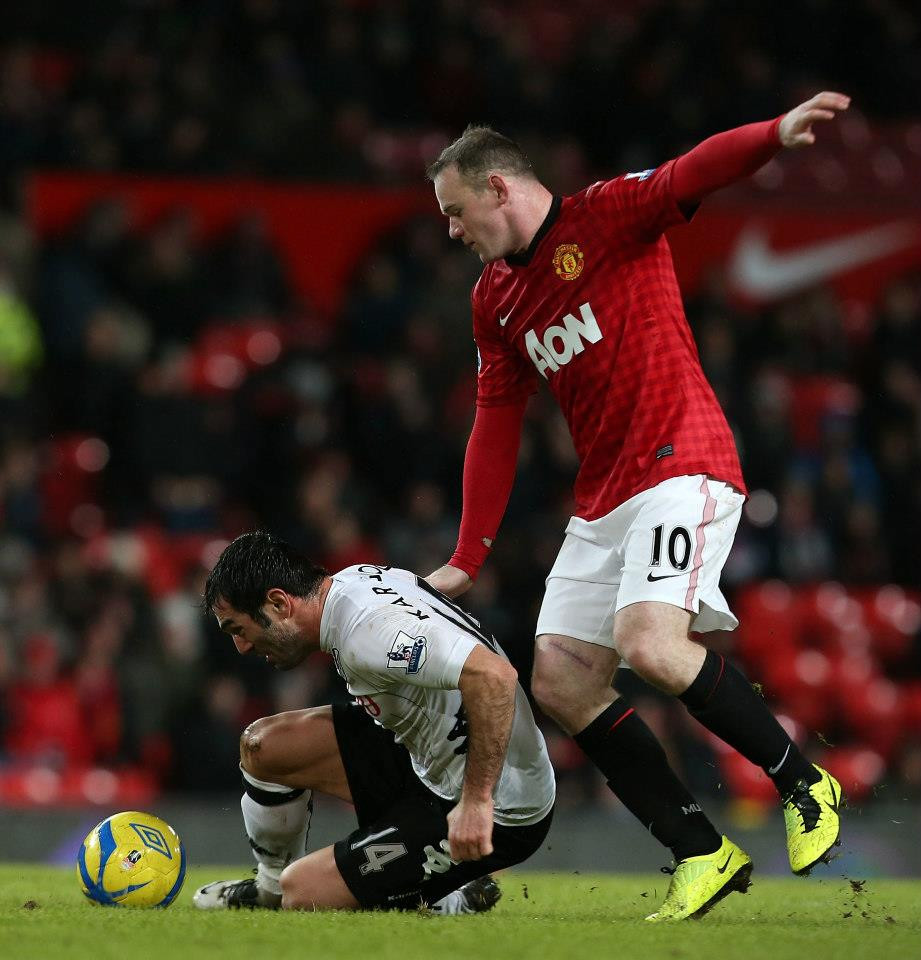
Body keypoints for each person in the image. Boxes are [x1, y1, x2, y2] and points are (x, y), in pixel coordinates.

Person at [425, 92, 850, 921]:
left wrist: (773, 134)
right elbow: (495, 424)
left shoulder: (609, 215)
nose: (450, 230)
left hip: (682, 461)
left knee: (650, 643)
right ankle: (701, 852)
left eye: (454, 210)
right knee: (558, 678)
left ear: (500, 187)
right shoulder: (494, 300)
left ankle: (806, 785)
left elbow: (695, 170)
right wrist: (467, 554)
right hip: (605, 495)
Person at [193, 531, 555, 915]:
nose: (242, 646)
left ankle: (449, 898)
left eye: (238, 629)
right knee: (263, 746)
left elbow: (495, 676)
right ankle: (268, 889)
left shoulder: (369, 633)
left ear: (279, 603)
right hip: (423, 757)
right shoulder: (353, 583)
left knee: (303, 892)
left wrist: (477, 801)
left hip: (499, 807)